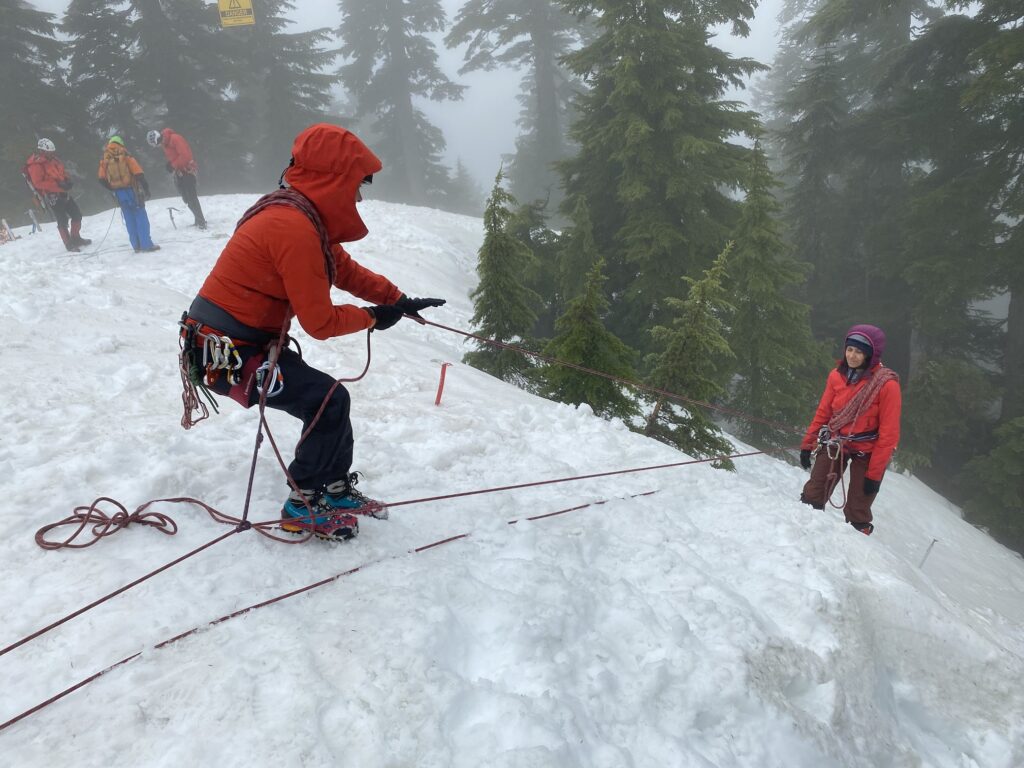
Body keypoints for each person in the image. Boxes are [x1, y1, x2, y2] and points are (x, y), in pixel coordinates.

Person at [180, 123, 445, 541]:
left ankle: (335, 491)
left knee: (328, 402)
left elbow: (344, 270)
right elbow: (319, 324)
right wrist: (375, 317)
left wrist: (398, 299)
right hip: (226, 354)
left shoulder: (299, 216)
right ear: (333, 181)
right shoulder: (294, 228)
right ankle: (302, 504)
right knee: (326, 400)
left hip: (241, 343)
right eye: (356, 186)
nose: (358, 197)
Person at [799, 324, 901, 535]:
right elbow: (823, 413)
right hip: (837, 442)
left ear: (871, 355)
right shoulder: (836, 376)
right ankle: (804, 533)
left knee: (858, 508)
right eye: (850, 349)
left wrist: (874, 475)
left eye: (860, 351)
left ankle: (857, 540)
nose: (852, 356)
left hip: (869, 449)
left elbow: (889, 434)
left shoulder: (887, 385)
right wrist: (807, 444)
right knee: (813, 493)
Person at [24, 138, 92, 252]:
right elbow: (38, 183)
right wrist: (58, 185)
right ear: (42, 151)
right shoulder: (35, 165)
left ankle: (75, 237)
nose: (52, 153)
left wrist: (67, 180)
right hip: (51, 195)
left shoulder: (54, 160)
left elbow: (62, 172)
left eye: (52, 151)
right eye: (49, 152)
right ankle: (68, 243)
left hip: (63, 192)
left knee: (77, 215)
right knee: (62, 219)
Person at [97, 135, 160, 253]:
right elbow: (138, 173)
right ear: (121, 144)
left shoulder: (105, 158)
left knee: (129, 218)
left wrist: (112, 188)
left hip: (119, 193)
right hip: (132, 190)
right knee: (140, 215)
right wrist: (146, 189)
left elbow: (101, 179)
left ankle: (136, 245)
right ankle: (146, 244)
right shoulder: (125, 154)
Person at [147, 128, 207, 229]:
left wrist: (172, 165)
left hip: (188, 170)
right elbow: (174, 157)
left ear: (158, 137)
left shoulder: (175, 139)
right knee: (186, 198)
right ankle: (197, 219)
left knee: (191, 196)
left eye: (156, 142)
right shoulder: (164, 144)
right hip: (179, 172)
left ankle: (201, 221)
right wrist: (171, 165)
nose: (158, 145)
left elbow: (186, 156)